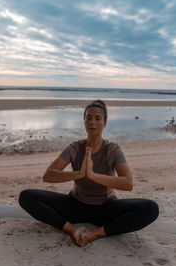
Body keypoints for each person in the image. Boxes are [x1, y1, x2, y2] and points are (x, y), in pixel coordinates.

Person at [18, 100, 159, 247]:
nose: (92, 122)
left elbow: (128, 183)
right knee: (26, 197)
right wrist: (79, 174)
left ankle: (96, 233)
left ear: (105, 122)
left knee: (150, 208)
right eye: (88, 118)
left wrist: (92, 175)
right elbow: (49, 176)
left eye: (98, 118)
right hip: (75, 205)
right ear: (84, 121)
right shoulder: (75, 147)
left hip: (105, 207)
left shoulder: (112, 149)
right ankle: (72, 229)